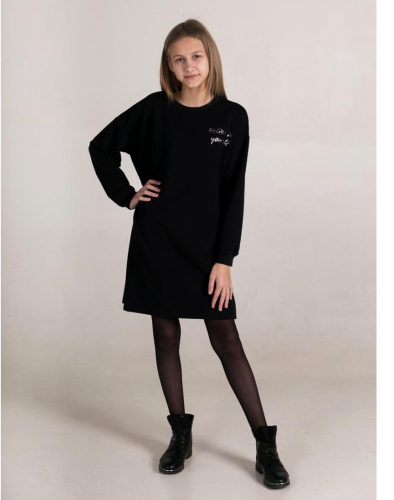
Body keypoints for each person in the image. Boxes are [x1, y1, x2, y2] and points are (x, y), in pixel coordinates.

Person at [88, 18, 290, 489]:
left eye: (196, 56)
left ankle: (265, 445)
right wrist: (128, 194)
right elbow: (101, 147)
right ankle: (180, 435)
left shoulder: (232, 117)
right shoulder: (153, 110)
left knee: (227, 340)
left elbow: (233, 192)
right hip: (157, 239)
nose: (188, 66)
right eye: (178, 59)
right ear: (169, 65)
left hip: (206, 248)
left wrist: (225, 259)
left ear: (209, 58)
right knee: (165, 335)